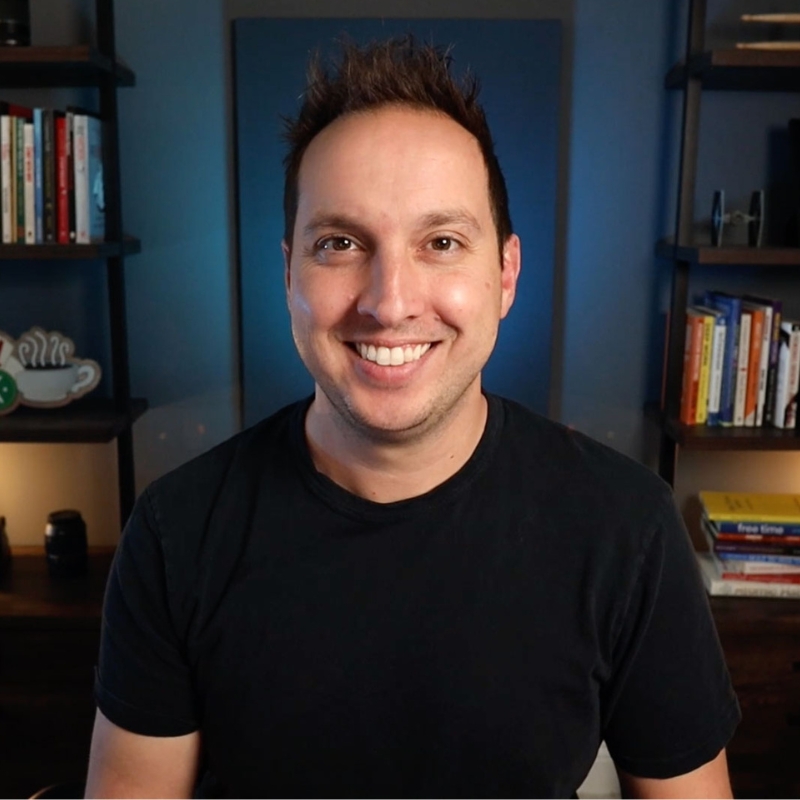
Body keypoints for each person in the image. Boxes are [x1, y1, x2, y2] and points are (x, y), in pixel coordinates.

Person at [85, 36, 740, 798]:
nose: (389, 301)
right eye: (339, 243)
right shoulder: (177, 532)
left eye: (441, 242)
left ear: (505, 275)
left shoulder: (629, 530)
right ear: (287, 271)